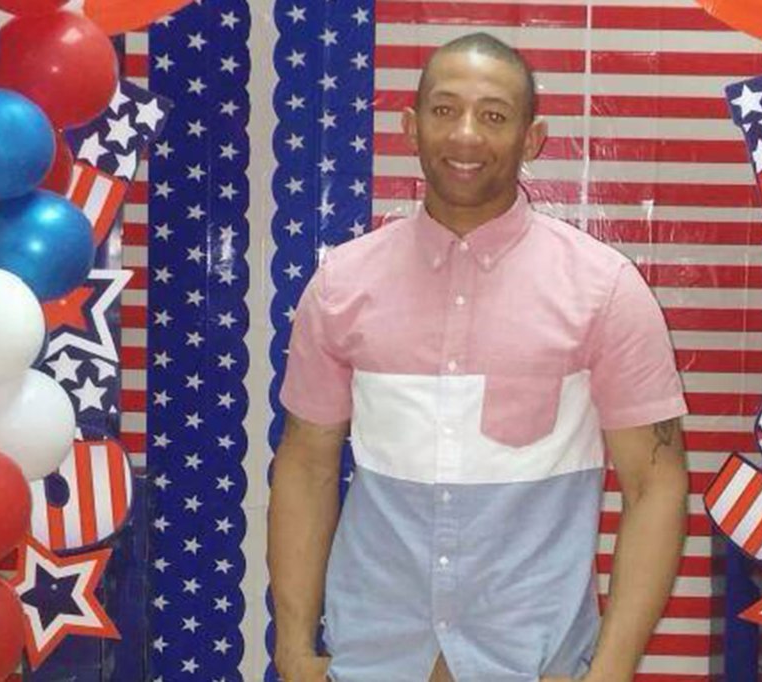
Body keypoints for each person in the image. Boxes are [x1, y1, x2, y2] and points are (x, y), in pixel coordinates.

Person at [268, 32, 689, 682]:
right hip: (372, 658)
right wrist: (294, 653)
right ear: (410, 127)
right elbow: (306, 465)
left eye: (493, 115)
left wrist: (610, 670)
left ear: (532, 137)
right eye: (444, 109)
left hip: (538, 660)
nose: (466, 134)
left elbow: (655, 483)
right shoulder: (343, 286)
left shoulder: (604, 289)